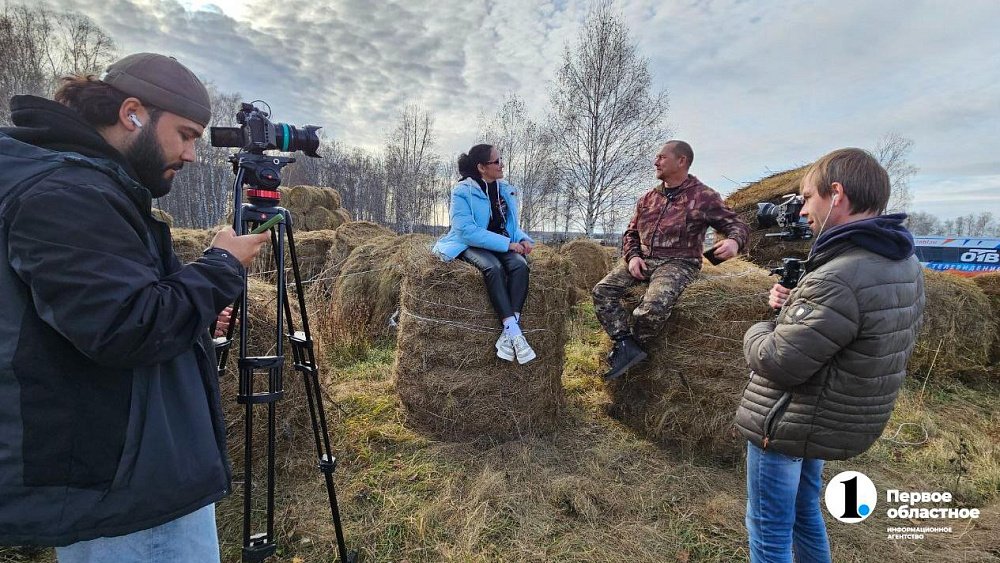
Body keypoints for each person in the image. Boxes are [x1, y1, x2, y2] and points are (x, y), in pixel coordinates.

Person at [0, 53, 270, 561]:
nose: (192, 154)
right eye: (186, 135)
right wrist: (219, 267)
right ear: (132, 113)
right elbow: (126, 327)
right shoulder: (68, 191)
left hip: (119, 472)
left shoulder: (77, 181)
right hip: (129, 491)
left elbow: (100, 309)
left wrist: (192, 311)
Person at [735, 148, 925, 562]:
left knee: (769, 531)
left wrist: (759, 328)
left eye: (806, 198)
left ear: (835, 194)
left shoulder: (842, 274)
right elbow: (843, 330)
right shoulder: (901, 261)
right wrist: (795, 305)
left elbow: (777, 360)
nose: (802, 211)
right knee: (805, 512)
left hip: (788, 421)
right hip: (826, 416)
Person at [593, 140, 750, 380]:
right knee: (602, 291)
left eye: (662, 157)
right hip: (644, 259)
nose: (656, 162)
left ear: (682, 161)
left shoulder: (704, 196)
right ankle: (625, 345)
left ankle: (640, 348)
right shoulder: (647, 198)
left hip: (679, 262)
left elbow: (736, 224)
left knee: (652, 308)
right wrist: (633, 257)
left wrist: (734, 241)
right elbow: (631, 233)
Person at [432, 144, 537, 364]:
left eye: (500, 160)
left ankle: (510, 332)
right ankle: (515, 333)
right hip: (471, 244)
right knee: (494, 268)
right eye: (496, 161)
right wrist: (507, 244)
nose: (502, 165)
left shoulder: (504, 189)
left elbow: (509, 225)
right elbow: (467, 231)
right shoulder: (462, 191)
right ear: (481, 167)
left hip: (500, 241)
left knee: (520, 266)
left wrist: (523, 239)